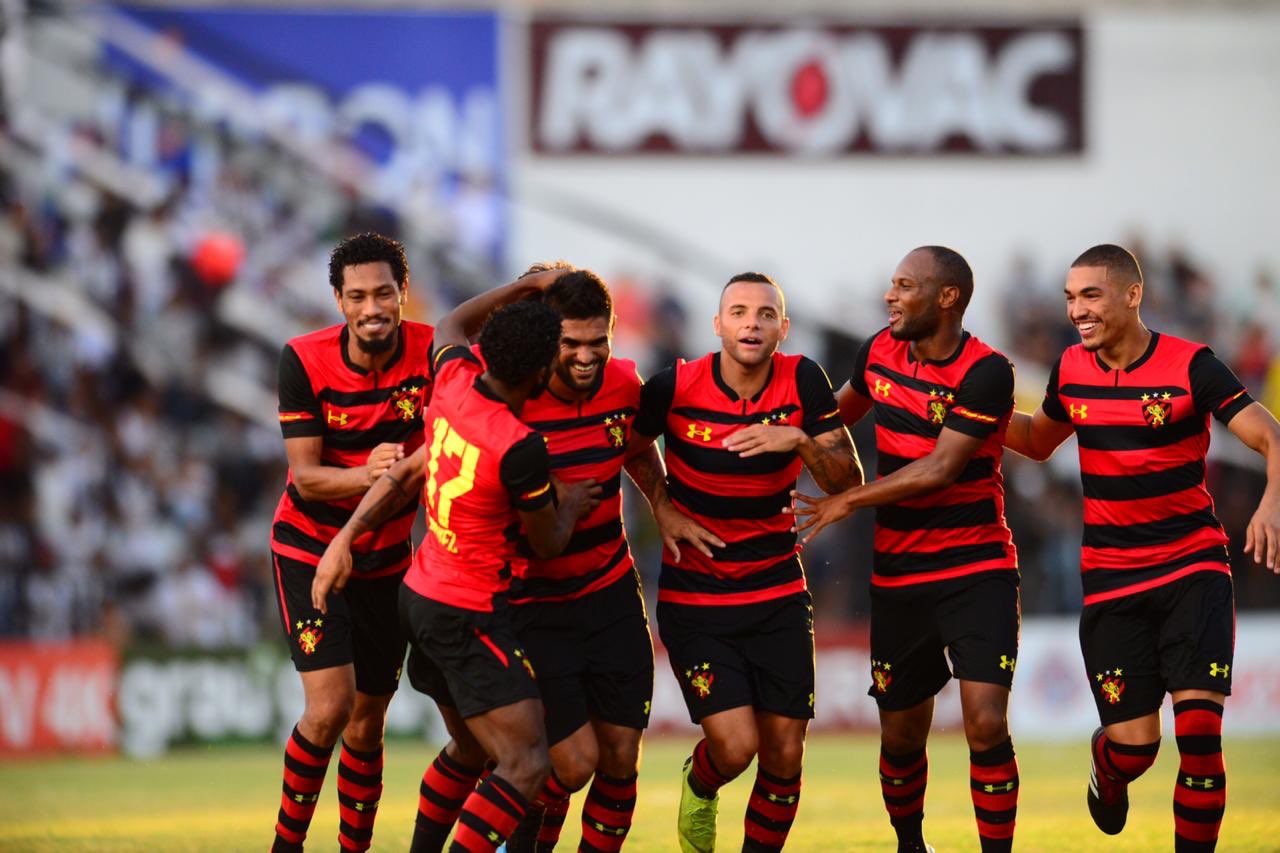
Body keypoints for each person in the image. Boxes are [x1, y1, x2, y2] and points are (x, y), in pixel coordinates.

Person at [1003, 243, 1280, 852]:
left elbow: (1270, 435)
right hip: (1112, 580)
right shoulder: (1071, 368)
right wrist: (973, 414)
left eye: (1091, 295)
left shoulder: (1191, 366)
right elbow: (1039, 439)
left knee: (1202, 735)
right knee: (1137, 747)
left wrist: (1271, 501)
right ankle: (1109, 765)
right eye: (1071, 298)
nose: (1078, 309)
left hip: (1193, 566)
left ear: (1133, 295)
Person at [313, 282, 602, 853]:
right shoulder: (519, 447)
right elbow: (547, 544)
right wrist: (567, 504)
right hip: (467, 612)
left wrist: (527, 286)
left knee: (473, 751)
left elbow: (450, 322)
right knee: (525, 764)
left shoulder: (451, 381)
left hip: (419, 593)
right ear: (543, 368)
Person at [791, 246, 1021, 853]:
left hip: (978, 567)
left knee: (985, 721)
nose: (890, 296)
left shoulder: (988, 371)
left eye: (904, 285)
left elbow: (942, 468)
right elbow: (831, 422)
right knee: (901, 735)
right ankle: (910, 845)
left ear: (947, 298)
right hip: (899, 574)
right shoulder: (876, 352)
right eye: (891, 285)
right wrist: (783, 437)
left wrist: (850, 499)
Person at [629, 272, 860, 853]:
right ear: (718, 325)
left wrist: (801, 441)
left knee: (784, 753)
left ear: (783, 328)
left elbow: (847, 480)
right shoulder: (674, 386)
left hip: (777, 593)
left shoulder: (804, 379)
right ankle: (699, 784)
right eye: (738, 312)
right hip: (697, 599)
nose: (750, 323)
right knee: (735, 748)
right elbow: (630, 445)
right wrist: (661, 506)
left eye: (764, 314)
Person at [268, 232, 433, 853]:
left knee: (367, 724)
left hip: (389, 562)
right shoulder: (303, 360)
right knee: (330, 708)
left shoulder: (434, 352)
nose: (372, 308)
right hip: (311, 548)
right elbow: (305, 476)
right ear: (338, 300)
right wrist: (371, 472)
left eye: (383, 293)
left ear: (402, 295)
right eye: (358, 295)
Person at [498, 268, 667, 852]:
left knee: (620, 758)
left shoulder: (624, 383)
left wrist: (664, 508)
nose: (588, 356)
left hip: (612, 593)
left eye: (600, 341)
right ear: (547, 340)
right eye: (571, 344)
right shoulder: (512, 396)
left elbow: (638, 449)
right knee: (570, 765)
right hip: (535, 601)